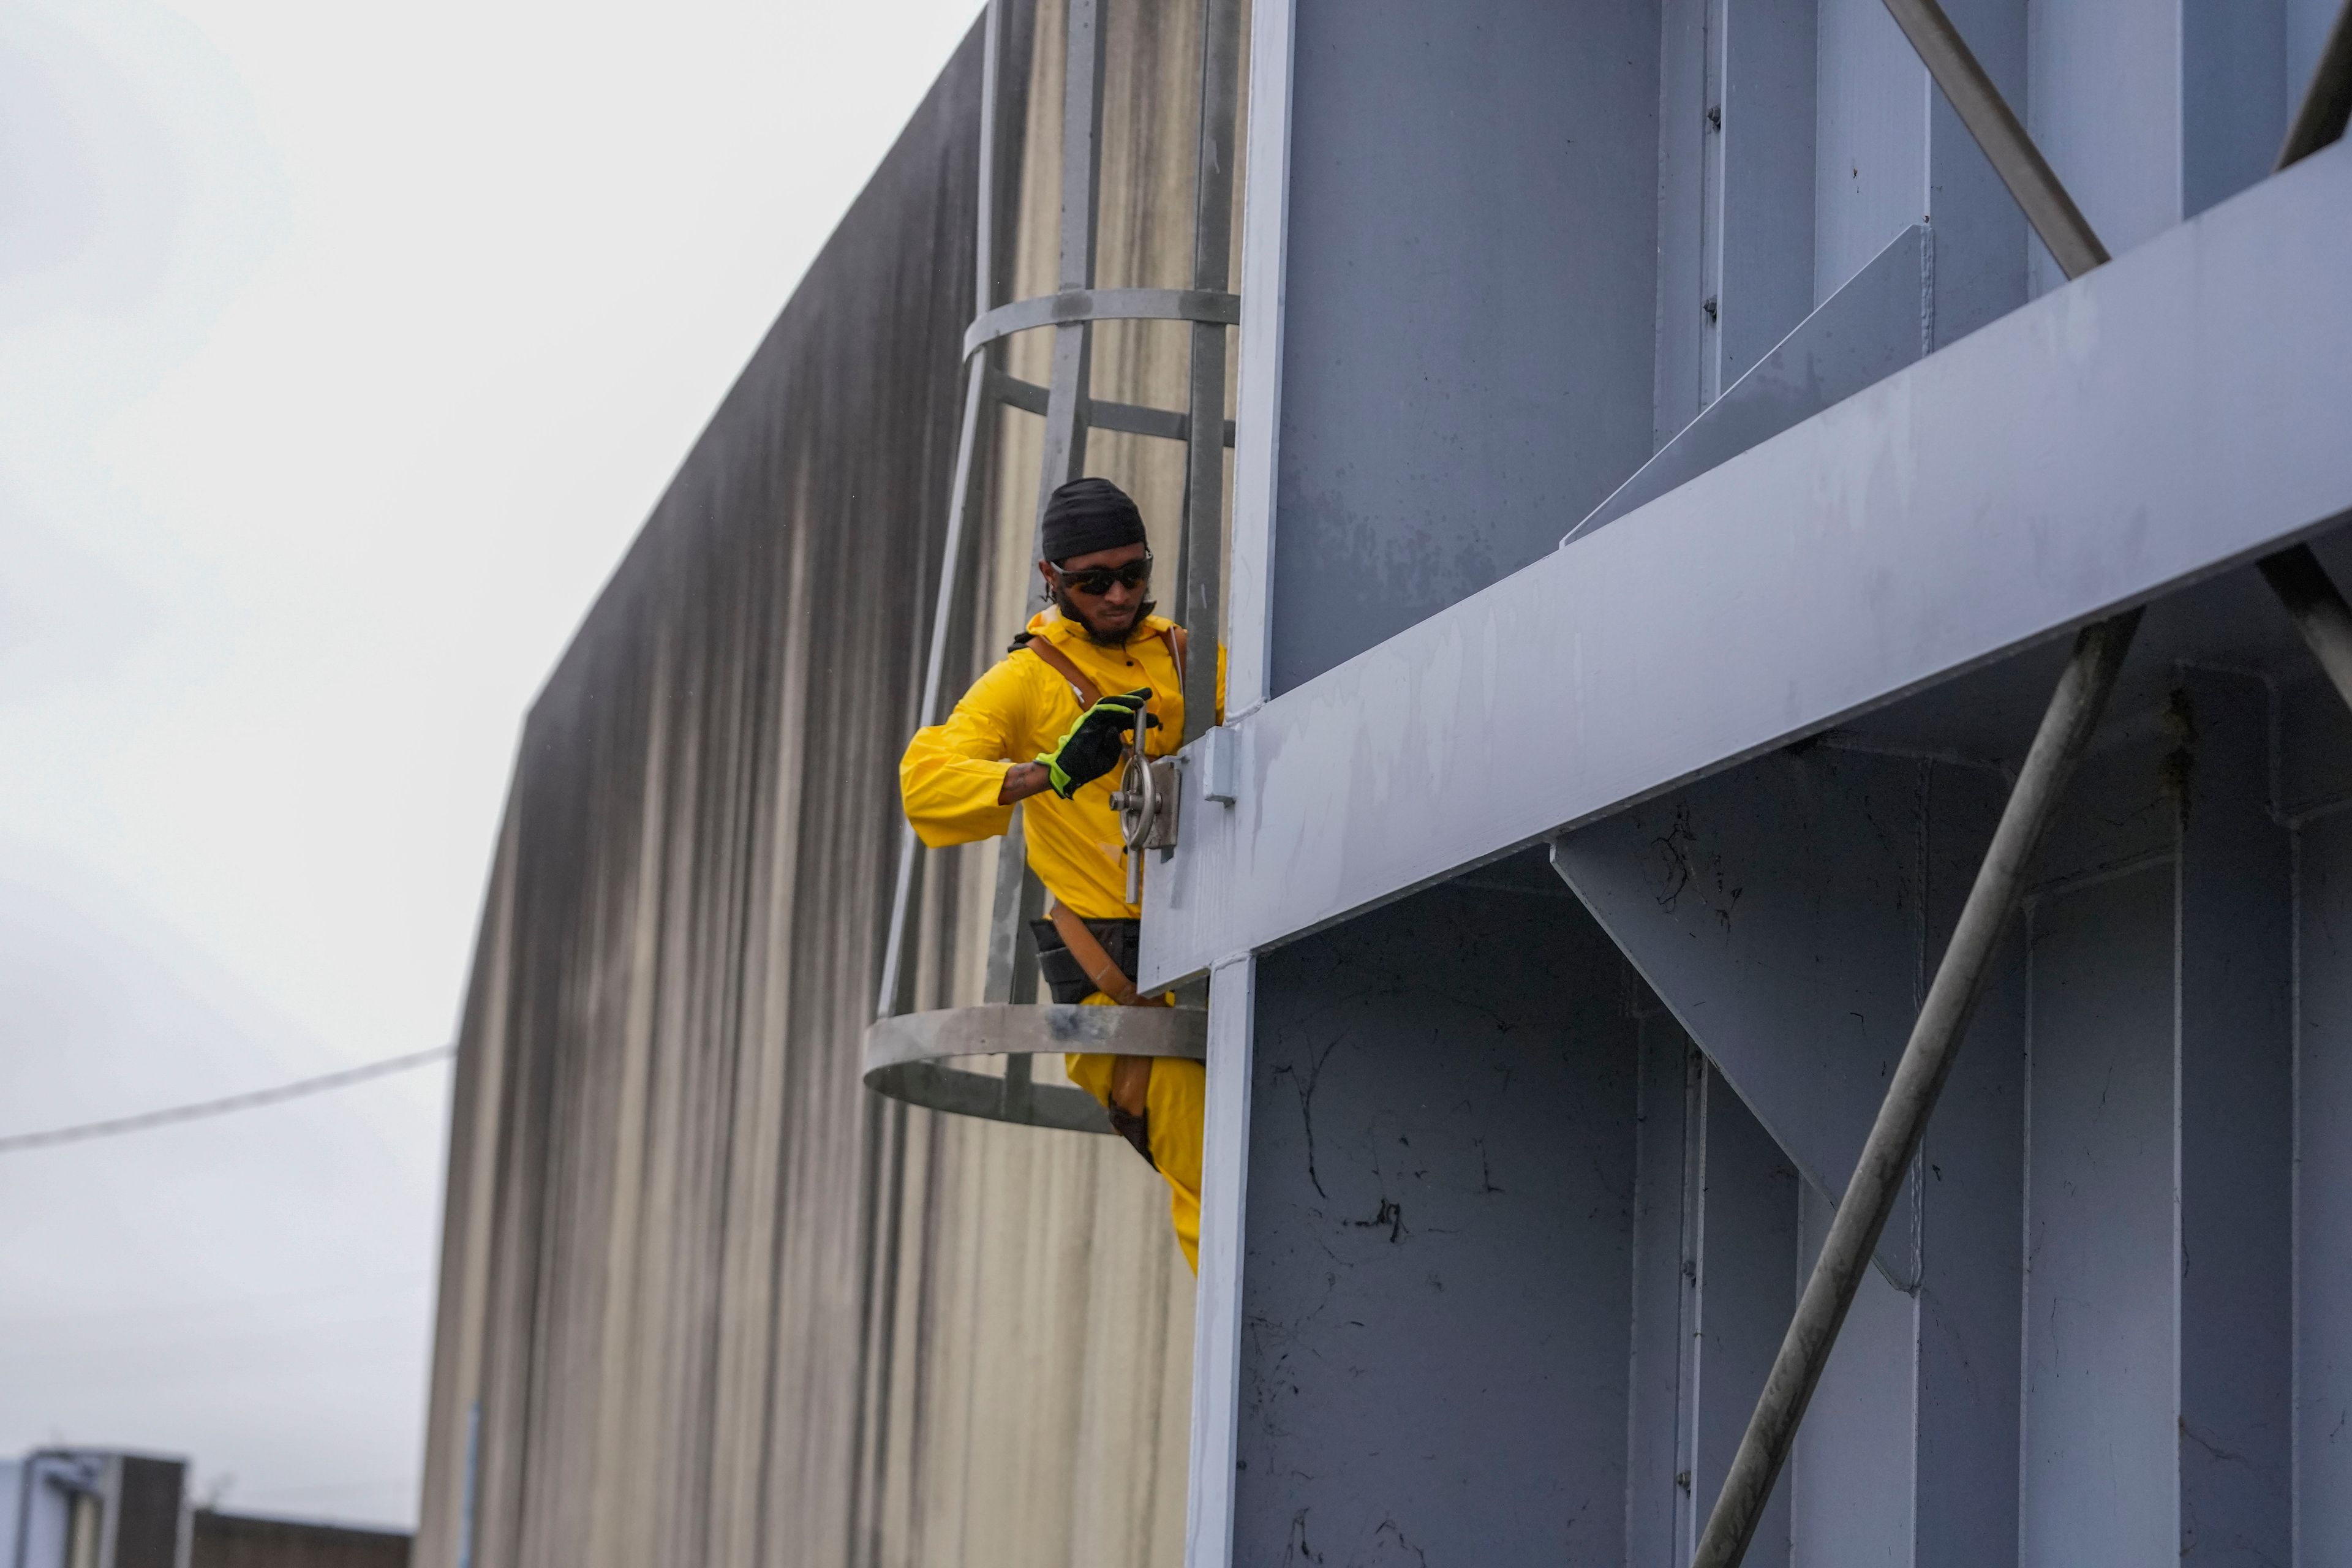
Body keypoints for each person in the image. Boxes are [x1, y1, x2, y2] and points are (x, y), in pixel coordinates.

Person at [900, 477, 1221, 1271]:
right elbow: (926, 785)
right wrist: (1050, 771)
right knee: (1217, 1182)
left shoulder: (1187, 655)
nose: (1117, 595)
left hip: (1217, 937)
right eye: (1092, 582)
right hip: (1120, 977)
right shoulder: (1029, 681)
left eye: (1132, 574)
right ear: (1053, 580)